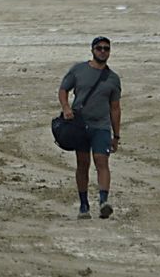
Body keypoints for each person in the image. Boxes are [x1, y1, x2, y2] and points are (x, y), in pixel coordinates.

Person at [57, 36, 122, 219]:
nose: (103, 51)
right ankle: (84, 205)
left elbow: (115, 108)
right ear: (92, 50)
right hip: (80, 126)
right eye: (99, 48)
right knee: (83, 164)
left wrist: (116, 136)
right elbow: (63, 90)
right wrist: (66, 108)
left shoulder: (113, 79)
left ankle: (103, 201)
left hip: (101, 127)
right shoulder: (78, 70)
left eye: (106, 49)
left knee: (102, 162)